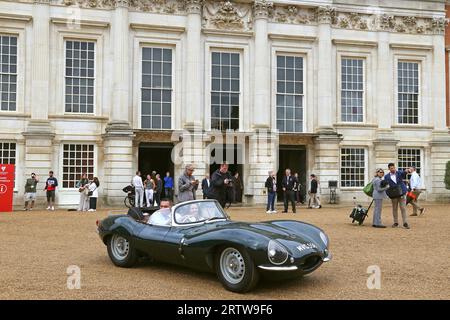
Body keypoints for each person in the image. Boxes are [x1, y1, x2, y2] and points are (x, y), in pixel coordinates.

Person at [384, 163, 410, 229]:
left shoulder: (399, 173)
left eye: (393, 168)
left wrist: (407, 171)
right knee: (394, 208)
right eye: (391, 168)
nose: (393, 169)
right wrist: (388, 194)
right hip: (393, 194)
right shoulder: (386, 176)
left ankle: (405, 222)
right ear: (389, 169)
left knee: (403, 208)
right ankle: (395, 222)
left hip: (402, 193)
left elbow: (404, 173)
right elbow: (386, 186)